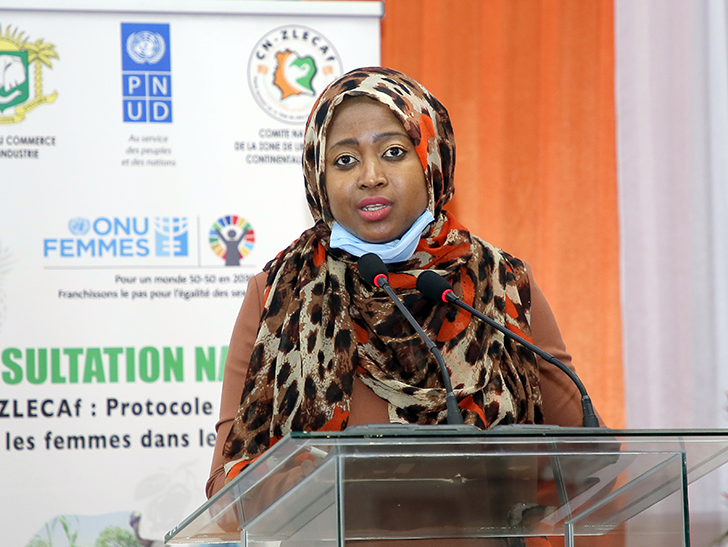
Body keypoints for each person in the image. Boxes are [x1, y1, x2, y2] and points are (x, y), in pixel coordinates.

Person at [207, 67, 593, 498]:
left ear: (431, 160)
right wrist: (332, 481)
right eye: (345, 160)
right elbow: (227, 486)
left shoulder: (504, 285)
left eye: (393, 152)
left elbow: (587, 463)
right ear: (319, 178)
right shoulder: (277, 293)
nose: (370, 175)